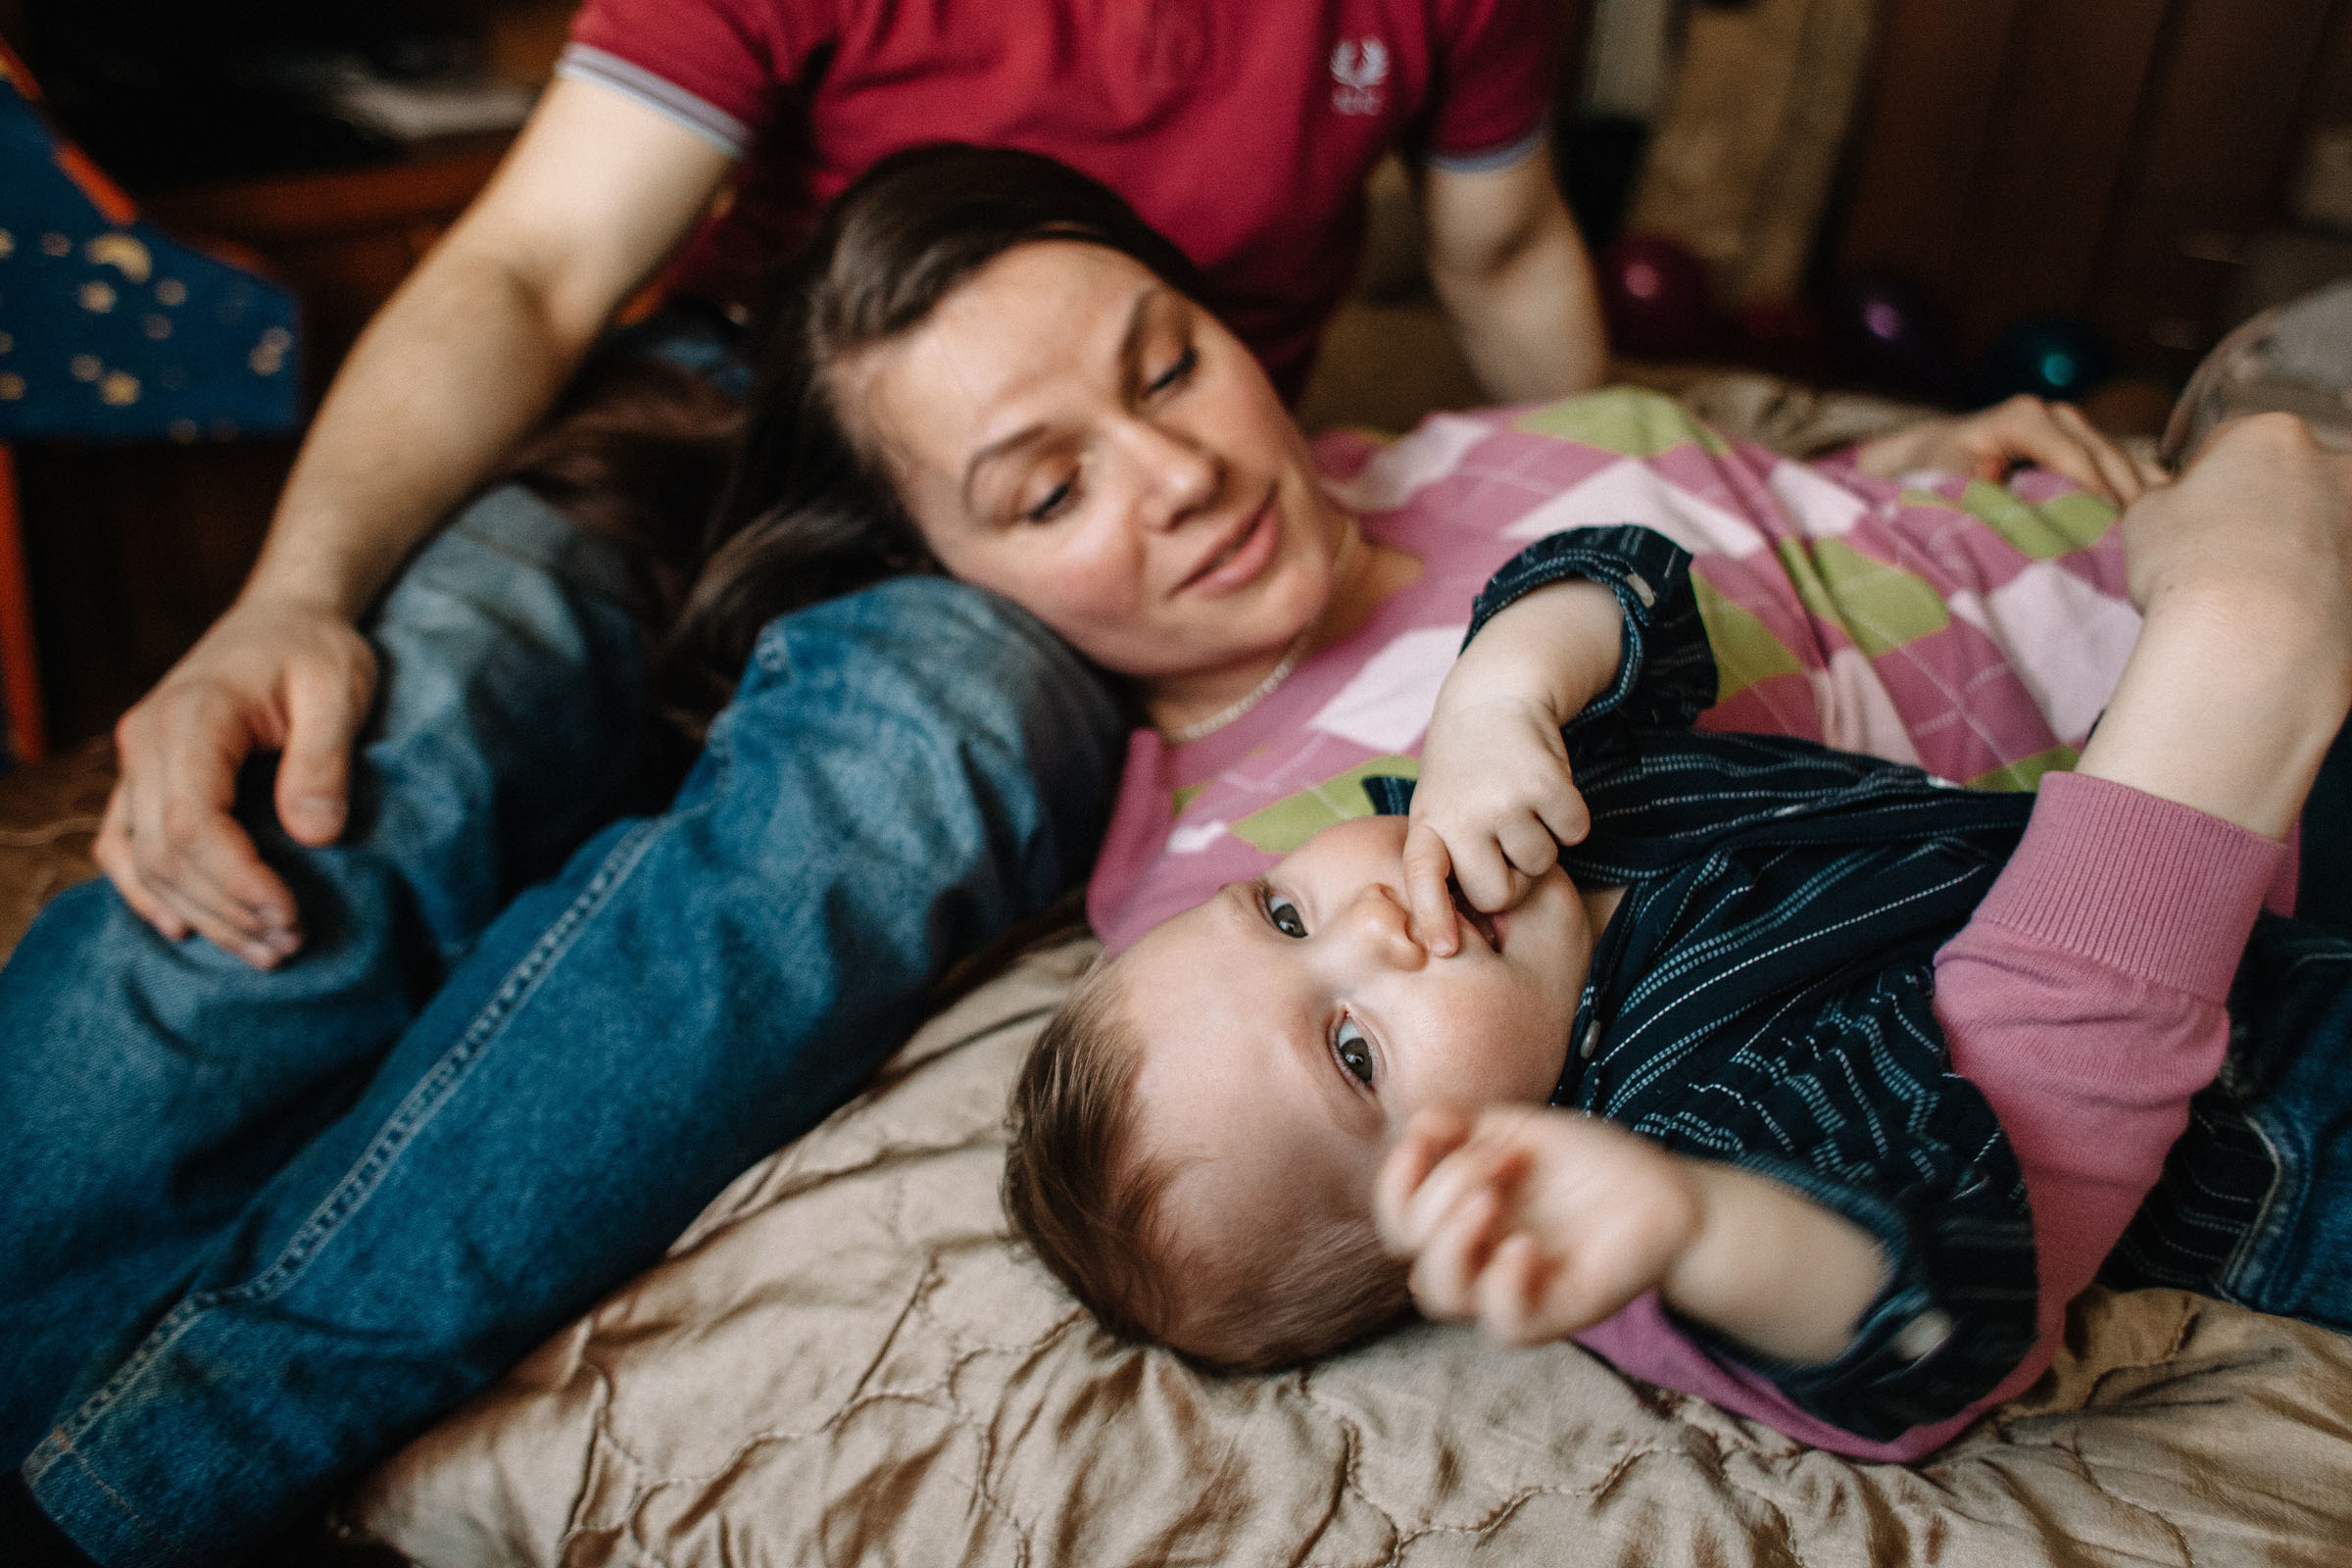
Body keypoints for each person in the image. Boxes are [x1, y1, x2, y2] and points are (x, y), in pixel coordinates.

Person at [0, 145, 2313, 1562]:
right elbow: (1899, 1291)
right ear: (951, 574)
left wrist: (1998, 486)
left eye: (1166, 364)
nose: (1181, 472)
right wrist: (1685, 1219)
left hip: (2137, 528)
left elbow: (1650, 582)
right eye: (1043, 492)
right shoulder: (1234, 840)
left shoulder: (1497, 613)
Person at [97, 0, 1607, 974]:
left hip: (1091, 502)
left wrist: (1626, 482)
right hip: (740, 398)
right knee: (372, 751)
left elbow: (1508, 251)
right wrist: (291, 599)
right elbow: (533, 267)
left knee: (899, 767)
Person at [999, 490, 2352, 1454]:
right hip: (2292, 1110)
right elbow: (1929, 1317)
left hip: (2248, 878)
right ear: (1466, 1204)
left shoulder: (1509, 800)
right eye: (1355, 1050)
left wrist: (1497, 693)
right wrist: (1693, 1225)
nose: (1378, 925)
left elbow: (1630, 575)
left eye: (1284, 914)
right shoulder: (1681, 1118)